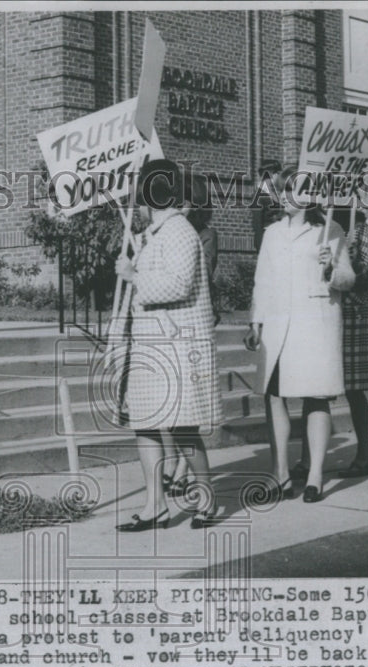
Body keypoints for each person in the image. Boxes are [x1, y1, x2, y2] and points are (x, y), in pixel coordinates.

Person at [114, 159, 222, 531]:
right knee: (144, 424)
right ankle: (154, 505)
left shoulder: (178, 231)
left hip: (175, 344)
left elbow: (178, 284)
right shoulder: (155, 234)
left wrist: (134, 275)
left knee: (181, 429)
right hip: (151, 345)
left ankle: (206, 498)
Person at [245, 169, 352, 503]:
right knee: (275, 395)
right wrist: (255, 321)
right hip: (278, 325)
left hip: (314, 324)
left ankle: (315, 475)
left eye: (291, 190)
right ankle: (280, 474)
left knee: (315, 396)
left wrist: (331, 266)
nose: (284, 196)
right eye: (282, 190)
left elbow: (348, 280)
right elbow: (262, 280)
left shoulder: (331, 230)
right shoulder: (273, 233)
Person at [161, 173, 219, 497]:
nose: (177, 207)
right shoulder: (164, 233)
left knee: (187, 406)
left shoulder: (205, 235)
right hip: (165, 324)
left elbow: (200, 274)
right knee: (166, 402)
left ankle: (184, 469)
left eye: (183, 202)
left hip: (192, 322)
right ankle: (173, 462)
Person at [336, 208, 368, 478]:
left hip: (352, 312)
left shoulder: (360, 228)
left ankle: (363, 455)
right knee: (313, 391)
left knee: (354, 389)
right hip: (321, 311)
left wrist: (356, 266)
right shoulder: (318, 224)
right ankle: (307, 460)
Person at [251, 159, 282, 252]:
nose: (279, 176)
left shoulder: (276, 192)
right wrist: (261, 247)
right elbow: (257, 223)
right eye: (277, 173)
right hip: (267, 238)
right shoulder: (259, 194)